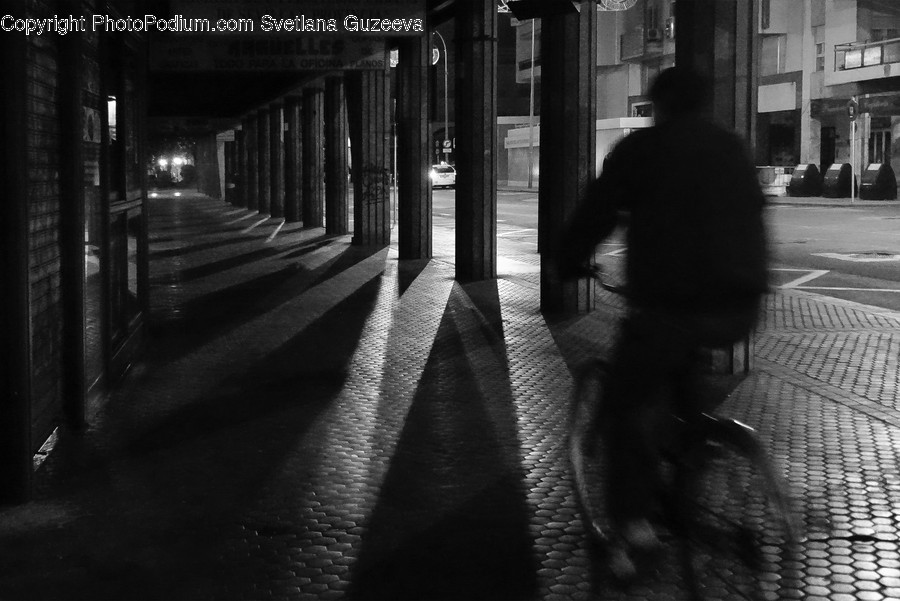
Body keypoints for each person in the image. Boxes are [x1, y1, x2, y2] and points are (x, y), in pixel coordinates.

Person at [557, 66, 769, 578]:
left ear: (658, 105)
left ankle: (631, 530)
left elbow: (595, 213)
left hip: (669, 309)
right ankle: (699, 449)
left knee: (627, 408)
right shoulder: (733, 148)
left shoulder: (641, 151)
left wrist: (567, 259)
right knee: (682, 387)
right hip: (739, 307)